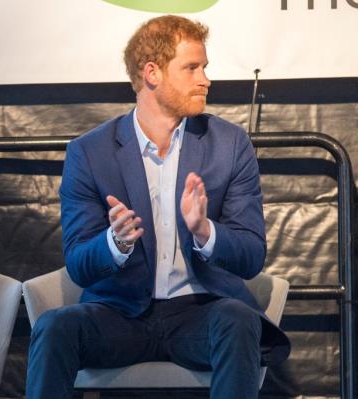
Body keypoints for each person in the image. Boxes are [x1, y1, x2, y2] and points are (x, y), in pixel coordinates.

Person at [27, 15, 290, 399]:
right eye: (192, 68)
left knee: (238, 320)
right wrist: (115, 242)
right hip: (119, 314)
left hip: (200, 311)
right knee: (54, 327)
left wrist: (205, 231)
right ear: (151, 73)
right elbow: (80, 264)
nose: (206, 79)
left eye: (205, 67)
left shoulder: (230, 144)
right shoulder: (90, 152)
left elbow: (251, 256)